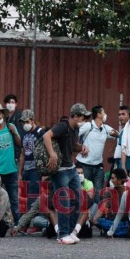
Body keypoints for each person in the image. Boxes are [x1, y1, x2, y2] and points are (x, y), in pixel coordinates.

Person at [43, 103, 90, 245]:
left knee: (76, 199)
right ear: (75, 116)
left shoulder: (74, 129)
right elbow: (46, 136)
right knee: (64, 201)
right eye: (82, 117)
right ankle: (62, 234)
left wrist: (82, 148)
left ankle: (70, 232)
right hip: (60, 171)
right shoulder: (63, 126)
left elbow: (73, 145)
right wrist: (52, 154)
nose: (84, 121)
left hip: (71, 168)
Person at [76, 105, 118, 198]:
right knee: (85, 192)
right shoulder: (88, 126)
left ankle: (96, 212)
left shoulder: (105, 128)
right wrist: (80, 146)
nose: (105, 114)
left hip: (98, 166)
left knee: (98, 193)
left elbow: (118, 134)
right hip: (84, 165)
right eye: (103, 112)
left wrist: (115, 133)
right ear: (99, 115)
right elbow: (74, 135)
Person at [18, 109, 45, 210]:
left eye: (27, 122)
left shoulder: (40, 133)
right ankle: (24, 221)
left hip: (36, 169)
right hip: (26, 169)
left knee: (33, 197)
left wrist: (44, 173)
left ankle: (32, 222)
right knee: (24, 197)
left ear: (33, 120)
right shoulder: (23, 134)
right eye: (23, 122)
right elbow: (22, 154)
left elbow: (46, 151)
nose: (25, 124)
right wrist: (20, 173)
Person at [92, 168, 129, 234]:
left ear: (120, 180)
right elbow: (102, 208)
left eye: (113, 178)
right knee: (99, 221)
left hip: (125, 222)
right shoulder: (109, 192)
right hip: (111, 221)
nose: (111, 181)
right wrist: (94, 219)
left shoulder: (129, 193)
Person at [4, 93, 23, 162]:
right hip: (6, 152)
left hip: (16, 152)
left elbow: (21, 136)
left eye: (12, 102)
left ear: (16, 104)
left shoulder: (19, 116)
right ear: (5, 104)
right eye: (9, 102)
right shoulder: (4, 117)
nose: (11, 104)